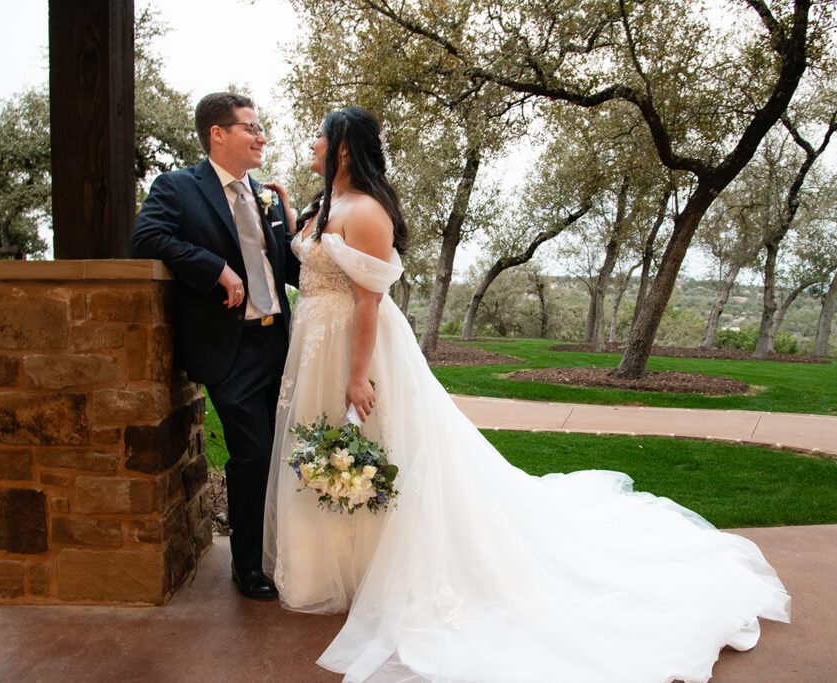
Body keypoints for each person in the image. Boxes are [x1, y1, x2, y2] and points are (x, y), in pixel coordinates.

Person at [264, 107, 790, 682]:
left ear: (343, 147)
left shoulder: (366, 211)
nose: (312, 143)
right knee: (330, 448)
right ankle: (338, 567)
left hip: (353, 346)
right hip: (314, 343)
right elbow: (312, 258)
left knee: (375, 449)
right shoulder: (326, 205)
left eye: (320, 136)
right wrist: (293, 208)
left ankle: (381, 571)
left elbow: (367, 302)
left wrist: (357, 375)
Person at [131, 92, 299, 600]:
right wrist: (215, 268)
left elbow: (287, 270)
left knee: (281, 454)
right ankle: (247, 566)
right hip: (233, 348)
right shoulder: (179, 187)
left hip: (281, 341)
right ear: (217, 134)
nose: (261, 136)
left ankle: (277, 551)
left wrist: (290, 222)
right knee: (253, 453)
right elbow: (146, 238)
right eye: (250, 127)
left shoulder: (264, 194)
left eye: (261, 127)